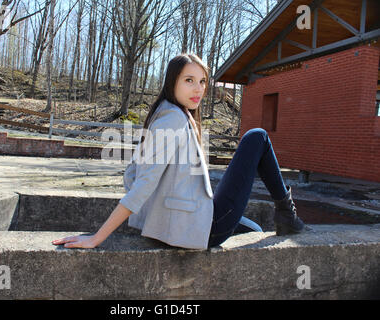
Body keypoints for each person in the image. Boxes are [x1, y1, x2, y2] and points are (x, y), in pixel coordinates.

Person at [52, 53, 305, 250]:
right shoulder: (172, 120)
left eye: (202, 82)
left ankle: (284, 216)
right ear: (172, 82)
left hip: (185, 220)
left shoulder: (167, 113)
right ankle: (287, 212)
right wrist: (96, 238)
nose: (198, 89)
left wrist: (157, 217)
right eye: (189, 81)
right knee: (256, 137)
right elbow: (141, 185)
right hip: (201, 229)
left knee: (255, 228)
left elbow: (132, 175)